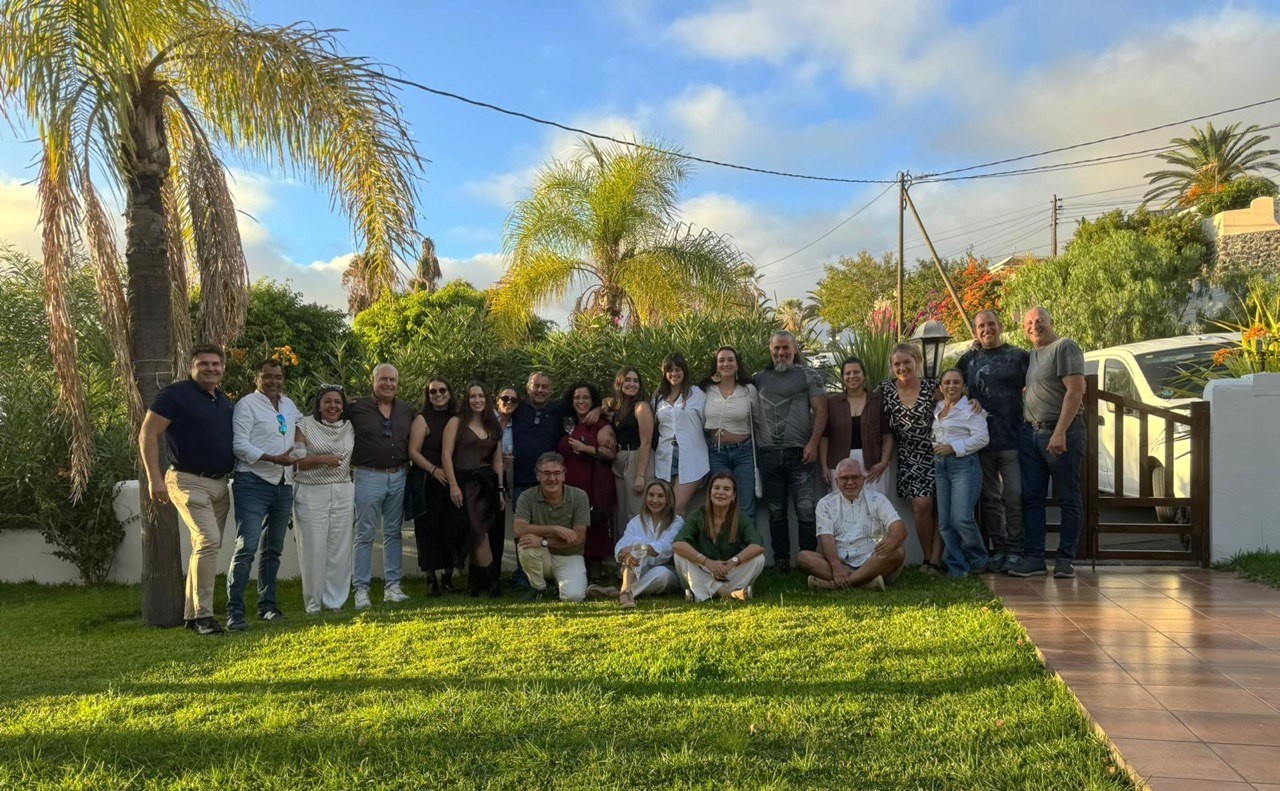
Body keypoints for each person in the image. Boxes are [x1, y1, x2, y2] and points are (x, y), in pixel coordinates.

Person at [138, 345, 235, 636]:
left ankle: (193, 615)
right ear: (191, 367)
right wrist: (154, 479)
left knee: (203, 547)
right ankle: (205, 616)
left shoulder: (223, 399)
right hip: (187, 480)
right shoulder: (175, 395)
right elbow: (148, 433)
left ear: (222, 368)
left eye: (216, 364)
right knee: (208, 541)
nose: (210, 368)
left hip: (220, 484)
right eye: (203, 363)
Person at [1007, 307, 1086, 579]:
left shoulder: (1064, 347)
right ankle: (1034, 559)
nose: (1034, 326)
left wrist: (1060, 431)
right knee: (1032, 499)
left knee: (1068, 498)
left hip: (1060, 432)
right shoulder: (1032, 355)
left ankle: (1065, 560)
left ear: (1052, 321)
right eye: (1029, 322)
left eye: (1040, 320)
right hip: (1030, 435)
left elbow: (1076, 391)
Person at [226, 358, 304, 630]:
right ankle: (235, 612)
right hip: (253, 482)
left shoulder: (288, 404)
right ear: (257, 378)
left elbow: (302, 428)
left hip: (284, 484)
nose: (274, 381)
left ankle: (267, 606)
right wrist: (273, 458)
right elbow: (239, 445)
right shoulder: (247, 405)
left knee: (273, 550)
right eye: (268, 376)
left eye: (278, 376)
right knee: (246, 547)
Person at [956, 310, 1029, 573]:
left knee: (1014, 496)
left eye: (990, 324)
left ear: (1000, 326)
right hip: (981, 442)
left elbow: (1037, 385)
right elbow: (949, 385)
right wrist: (966, 401)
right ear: (975, 332)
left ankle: (1016, 550)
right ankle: (998, 549)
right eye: (980, 326)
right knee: (989, 499)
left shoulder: (1018, 356)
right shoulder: (969, 359)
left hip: (1013, 439)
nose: (986, 329)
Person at [753, 330, 827, 573]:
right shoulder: (758, 378)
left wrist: (813, 444)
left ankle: (807, 560)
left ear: (795, 349)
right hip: (768, 455)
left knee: (806, 510)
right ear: (770, 349)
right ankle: (782, 560)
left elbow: (821, 410)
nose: (781, 353)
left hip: (801, 454)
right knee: (776, 512)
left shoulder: (809, 375)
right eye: (777, 348)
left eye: (786, 348)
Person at [348, 363, 415, 609]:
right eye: (383, 379)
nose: (388, 384)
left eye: (393, 380)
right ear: (373, 381)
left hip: (398, 475)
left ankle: (393, 587)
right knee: (364, 533)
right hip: (367, 476)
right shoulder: (356, 407)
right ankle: (361, 590)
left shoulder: (406, 410)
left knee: (393, 533)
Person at [879, 342, 944, 574]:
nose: (902, 367)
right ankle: (928, 557)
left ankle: (935, 561)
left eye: (907, 362)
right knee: (922, 504)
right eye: (897, 363)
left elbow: (956, 403)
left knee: (943, 507)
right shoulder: (886, 389)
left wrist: (973, 402)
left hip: (938, 452)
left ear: (916, 362)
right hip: (909, 455)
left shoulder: (932, 387)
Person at [799, 458, 908, 591]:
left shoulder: (878, 499)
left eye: (855, 477)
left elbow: (899, 527)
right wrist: (836, 566)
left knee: (898, 551)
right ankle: (865, 582)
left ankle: (839, 584)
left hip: (872, 561)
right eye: (844, 478)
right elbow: (826, 538)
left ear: (863, 479)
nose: (850, 482)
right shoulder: (825, 503)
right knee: (803, 557)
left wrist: (891, 541)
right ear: (836, 481)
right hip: (840, 564)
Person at [293, 385, 355, 614]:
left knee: (339, 548)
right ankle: (313, 604)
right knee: (313, 548)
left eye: (337, 402)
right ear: (319, 404)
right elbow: (295, 460)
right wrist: (321, 459)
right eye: (327, 401)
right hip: (311, 491)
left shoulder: (349, 426)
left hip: (343, 490)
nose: (333, 406)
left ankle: (335, 602)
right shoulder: (305, 425)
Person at [443, 382, 506, 598]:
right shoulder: (456, 422)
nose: (477, 400)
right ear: (467, 400)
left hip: (488, 484)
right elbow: (446, 456)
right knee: (477, 533)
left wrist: (499, 489)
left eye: (481, 396)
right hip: (464, 483)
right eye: (472, 396)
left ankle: (476, 583)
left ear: (487, 399)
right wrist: (453, 485)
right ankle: (492, 581)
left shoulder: (493, 424)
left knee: (486, 532)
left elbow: (497, 462)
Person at [405, 379, 464, 595]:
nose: (438, 394)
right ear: (428, 395)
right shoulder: (422, 418)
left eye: (442, 390)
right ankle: (431, 580)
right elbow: (413, 451)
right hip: (427, 481)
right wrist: (433, 470)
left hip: (453, 480)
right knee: (427, 531)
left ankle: (448, 578)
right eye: (433, 392)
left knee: (453, 528)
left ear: (450, 392)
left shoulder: (459, 418)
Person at [557, 382, 617, 589]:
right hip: (570, 483)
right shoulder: (567, 422)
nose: (581, 402)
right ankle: (573, 574)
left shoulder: (601, 424)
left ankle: (595, 578)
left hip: (596, 483)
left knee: (595, 527)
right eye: (577, 398)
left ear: (593, 401)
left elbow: (611, 453)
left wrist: (586, 448)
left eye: (585, 398)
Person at [672, 472, 766, 601]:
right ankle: (729, 593)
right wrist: (707, 562)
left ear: (733, 496)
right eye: (716, 488)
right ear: (710, 493)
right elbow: (678, 544)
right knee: (679, 556)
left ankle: (702, 592)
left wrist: (732, 563)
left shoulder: (740, 517)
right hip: (702, 570)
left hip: (727, 571)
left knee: (758, 559)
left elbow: (757, 546)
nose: (720, 492)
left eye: (726, 489)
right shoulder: (697, 515)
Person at [932, 368, 990, 576]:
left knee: (961, 517)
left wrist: (953, 447)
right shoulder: (939, 408)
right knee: (945, 522)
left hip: (964, 465)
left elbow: (982, 439)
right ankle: (957, 567)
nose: (951, 386)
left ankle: (978, 559)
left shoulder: (971, 409)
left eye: (956, 382)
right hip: (941, 466)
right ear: (941, 387)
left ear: (963, 386)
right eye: (947, 382)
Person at [513, 452, 589, 602]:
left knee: (573, 597)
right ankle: (539, 588)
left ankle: (556, 585)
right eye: (546, 473)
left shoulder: (579, 496)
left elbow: (579, 538)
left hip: (570, 555)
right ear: (538, 476)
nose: (552, 478)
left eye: (556, 473)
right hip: (542, 555)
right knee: (526, 543)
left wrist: (543, 541)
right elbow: (518, 529)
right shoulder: (527, 496)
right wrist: (554, 529)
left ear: (564, 475)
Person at [820, 357, 892, 498]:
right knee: (844, 508)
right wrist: (824, 466)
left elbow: (887, 435)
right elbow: (825, 437)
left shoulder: (878, 401)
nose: (852, 376)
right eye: (847, 373)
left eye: (856, 372)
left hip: (873, 465)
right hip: (840, 465)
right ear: (842, 377)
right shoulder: (833, 403)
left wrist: (883, 462)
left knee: (874, 506)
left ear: (864, 376)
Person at [702, 346, 759, 522]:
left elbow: (758, 421)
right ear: (716, 365)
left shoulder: (749, 390)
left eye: (730, 360)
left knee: (746, 505)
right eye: (721, 360)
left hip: (744, 452)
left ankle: (750, 548)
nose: (726, 363)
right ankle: (725, 548)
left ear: (737, 364)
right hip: (716, 453)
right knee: (720, 503)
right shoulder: (706, 390)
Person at [653, 352, 708, 515]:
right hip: (665, 458)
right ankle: (667, 541)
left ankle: (679, 541)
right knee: (664, 508)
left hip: (692, 458)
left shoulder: (696, 394)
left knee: (676, 506)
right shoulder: (658, 398)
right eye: (669, 370)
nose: (674, 374)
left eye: (678, 369)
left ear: (684, 371)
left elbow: (707, 424)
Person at [613, 480, 683, 608]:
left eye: (660, 496)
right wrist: (625, 555)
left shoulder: (677, 522)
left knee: (663, 574)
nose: (655, 500)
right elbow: (620, 546)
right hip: (637, 570)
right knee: (637, 544)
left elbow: (666, 547)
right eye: (651, 495)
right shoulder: (636, 521)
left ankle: (621, 592)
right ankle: (626, 590)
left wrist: (640, 549)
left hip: (665, 571)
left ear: (668, 499)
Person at [604, 368, 654, 529]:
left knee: (636, 510)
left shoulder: (641, 407)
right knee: (621, 510)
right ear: (619, 382)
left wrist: (640, 475)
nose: (632, 384)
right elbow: (606, 401)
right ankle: (622, 550)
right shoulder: (618, 406)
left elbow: (646, 442)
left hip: (637, 457)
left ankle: (640, 550)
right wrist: (600, 408)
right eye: (628, 380)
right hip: (620, 458)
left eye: (636, 381)